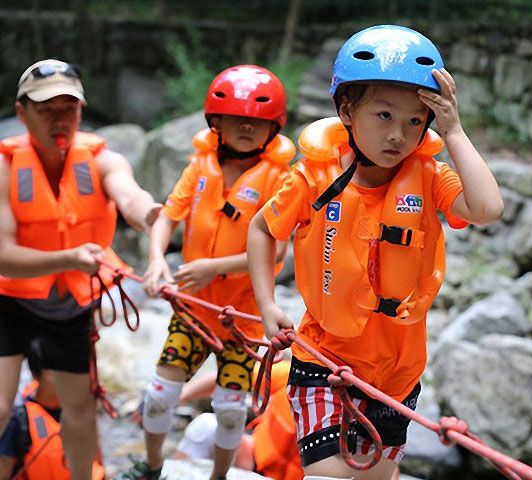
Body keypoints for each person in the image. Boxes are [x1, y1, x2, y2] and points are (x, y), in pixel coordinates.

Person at [248, 25, 504, 480]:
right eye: (383, 116)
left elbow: (487, 207)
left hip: (397, 375)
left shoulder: (429, 178)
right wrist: (268, 305)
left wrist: (455, 130)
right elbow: (262, 229)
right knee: (330, 477)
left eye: (414, 121)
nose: (398, 135)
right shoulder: (313, 180)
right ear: (347, 110)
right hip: (324, 361)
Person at [116, 65, 295, 480]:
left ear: (274, 126)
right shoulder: (199, 166)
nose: (247, 127)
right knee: (160, 395)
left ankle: (217, 478)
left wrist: (213, 267)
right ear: (217, 122)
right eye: (237, 119)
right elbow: (168, 215)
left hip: (244, 317)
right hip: (195, 309)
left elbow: (277, 249)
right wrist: (157, 259)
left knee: (231, 412)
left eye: (257, 121)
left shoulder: (279, 179)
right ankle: (153, 464)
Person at [0, 59, 160, 480]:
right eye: (46, 109)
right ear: (22, 114)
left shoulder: (102, 159)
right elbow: (2, 255)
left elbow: (129, 196)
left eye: (68, 109)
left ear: (81, 112)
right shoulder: (4, 167)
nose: (60, 120)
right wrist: (69, 258)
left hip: (67, 304)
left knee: (80, 408)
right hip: (8, 298)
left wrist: (152, 216)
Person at [168, 362, 305, 480]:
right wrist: (178, 398)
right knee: (206, 426)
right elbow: (231, 377)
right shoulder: (294, 374)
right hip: (251, 458)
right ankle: (168, 475)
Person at [0, 341, 105, 480]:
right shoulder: (18, 420)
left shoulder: (81, 407)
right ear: (35, 374)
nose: (64, 380)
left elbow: (97, 458)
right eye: (55, 372)